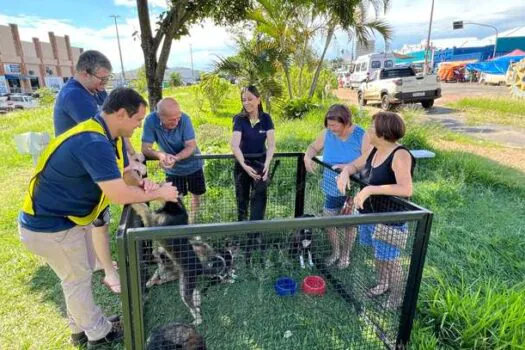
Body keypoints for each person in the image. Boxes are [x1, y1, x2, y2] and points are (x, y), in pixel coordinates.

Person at [19, 88, 179, 348]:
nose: (140, 126)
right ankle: (97, 334)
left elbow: (121, 177)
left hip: (71, 220)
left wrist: (142, 184)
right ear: (120, 113)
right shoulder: (93, 142)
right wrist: (162, 192)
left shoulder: (107, 134)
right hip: (50, 226)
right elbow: (116, 194)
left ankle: (80, 328)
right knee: (77, 280)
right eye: (138, 119)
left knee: (76, 278)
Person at [53, 50, 139, 293]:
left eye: (106, 79)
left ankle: (100, 261)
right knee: (98, 218)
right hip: (84, 165)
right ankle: (109, 272)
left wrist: (130, 153)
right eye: (101, 79)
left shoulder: (96, 91)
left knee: (98, 216)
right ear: (83, 72)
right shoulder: (74, 96)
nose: (103, 85)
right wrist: (124, 169)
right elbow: (106, 129)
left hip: (98, 160)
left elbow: (119, 127)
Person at [337, 111, 415, 309]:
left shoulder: (400, 155)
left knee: (391, 260)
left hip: (389, 219)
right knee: (379, 256)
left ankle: (397, 296)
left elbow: (406, 188)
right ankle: (383, 283)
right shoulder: (374, 150)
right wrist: (346, 171)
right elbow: (356, 165)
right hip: (369, 215)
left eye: (372, 127)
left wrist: (370, 189)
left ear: (382, 132)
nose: (368, 130)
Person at [303, 104, 370, 269]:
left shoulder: (361, 135)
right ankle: (336, 252)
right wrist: (308, 157)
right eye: (328, 124)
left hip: (353, 187)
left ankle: (346, 255)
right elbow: (313, 147)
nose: (330, 128)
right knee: (328, 219)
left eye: (334, 125)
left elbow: (369, 161)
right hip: (331, 186)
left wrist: (349, 169)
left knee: (350, 222)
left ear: (346, 122)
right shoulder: (327, 134)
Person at [141, 98, 205, 224]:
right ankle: (180, 225)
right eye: (171, 120)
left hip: (193, 165)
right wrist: (160, 155)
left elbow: (191, 146)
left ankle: (193, 222)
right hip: (173, 170)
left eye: (178, 118)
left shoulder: (185, 119)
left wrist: (175, 158)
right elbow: (145, 148)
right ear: (160, 117)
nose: (176, 122)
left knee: (196, 194)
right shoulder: (150, 121)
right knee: (175, 198)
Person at [230, 85, 276, 223]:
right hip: (243, 163)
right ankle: (243, 233)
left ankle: (256, 235)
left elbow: (272, 145)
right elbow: (234, 145)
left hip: (260, 163)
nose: (246, 103)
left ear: (258, 100)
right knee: (242, 199)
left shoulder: (266, 118)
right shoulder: (239, 119)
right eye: (243, 100)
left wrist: (266, 166)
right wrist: (244, 166)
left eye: (250, 99)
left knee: (259, 200)